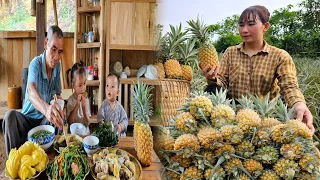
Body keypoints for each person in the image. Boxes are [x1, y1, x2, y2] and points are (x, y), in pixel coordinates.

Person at [201, 5, 315, 134]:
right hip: (232, 122)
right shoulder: (230, 52)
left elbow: (289, 86)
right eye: (241, 24)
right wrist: (212, 78)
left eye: (250, 24)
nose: (244, 30)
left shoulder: (280, 56)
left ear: (265, 27)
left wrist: (298, 104)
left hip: (266, 124)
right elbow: (222, 82)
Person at [2, 25, 65, 157]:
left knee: (56, 117)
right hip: (28, 120)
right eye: (53, 49)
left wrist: (58, 108)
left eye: (60, 52)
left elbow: (57, 95)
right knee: (10, 117)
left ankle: (51, 160)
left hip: (43, 122)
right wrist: (47, 109)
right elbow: (31, 91)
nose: (56, 56)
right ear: (46, 43)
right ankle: (12, 163)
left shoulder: (57, 66)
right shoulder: (35, 64)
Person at [66, 62, 92, 135]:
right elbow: (69, 122)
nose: (83, 88)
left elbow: (88, 123)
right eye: (80, 85)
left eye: (84, 83)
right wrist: (77, 105)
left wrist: (84, 108)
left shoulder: (86, 99)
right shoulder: (70, 100)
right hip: (74, 134)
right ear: (73, 85)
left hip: (85, 133)